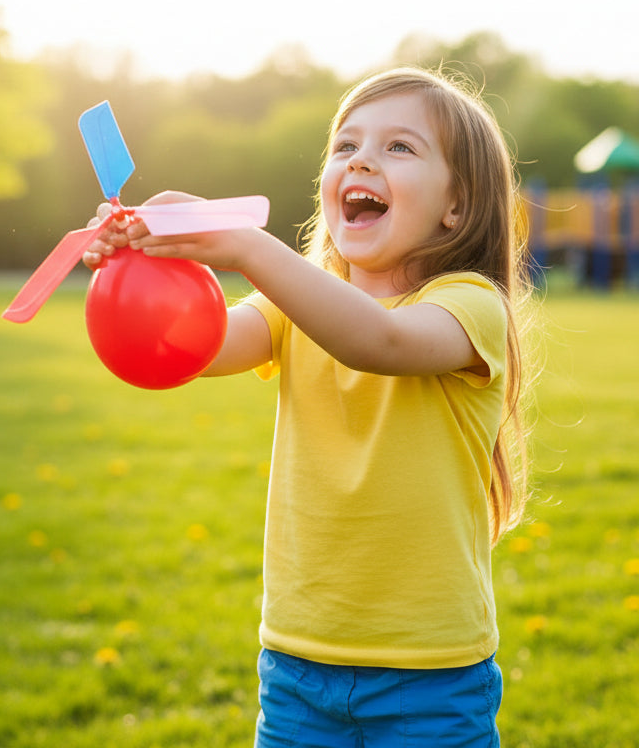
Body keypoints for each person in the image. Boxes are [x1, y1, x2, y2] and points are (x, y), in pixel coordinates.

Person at [83, 66, 535, 747]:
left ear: (457, 205)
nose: (362, 160)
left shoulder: (470, 306)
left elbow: (377, 341)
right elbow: (197, 346)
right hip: (297, 665)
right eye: (346, 145)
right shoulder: (290, 305)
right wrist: (142, 263)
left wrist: (246, 245)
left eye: (399, 147)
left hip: (429, 673)